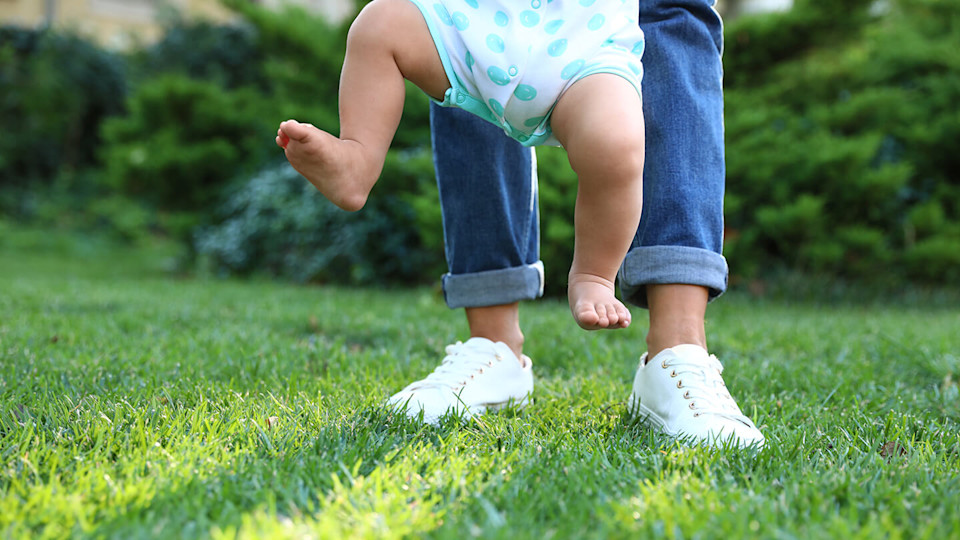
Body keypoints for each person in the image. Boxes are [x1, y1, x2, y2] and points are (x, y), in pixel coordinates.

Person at [280, 0, 765, 448]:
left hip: (585, 39)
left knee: (615, 145)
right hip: (478, 20)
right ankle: (357, 161)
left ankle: (608, 286)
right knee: (378, 24)